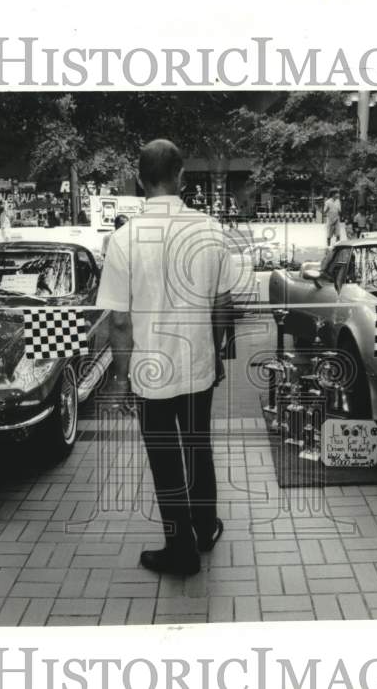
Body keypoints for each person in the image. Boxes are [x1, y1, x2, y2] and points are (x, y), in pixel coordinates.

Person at [97, 139, 233, 576]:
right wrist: (217, 355)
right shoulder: (210, 229)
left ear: (139, 180)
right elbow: (222, 304)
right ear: (182, 177)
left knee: (164, 457)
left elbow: (119, 322)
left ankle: (181, 551)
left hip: (150, 373)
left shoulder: (124, 238)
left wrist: (120, 380)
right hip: (197, 365)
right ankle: (206, 528)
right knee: (198, 447)